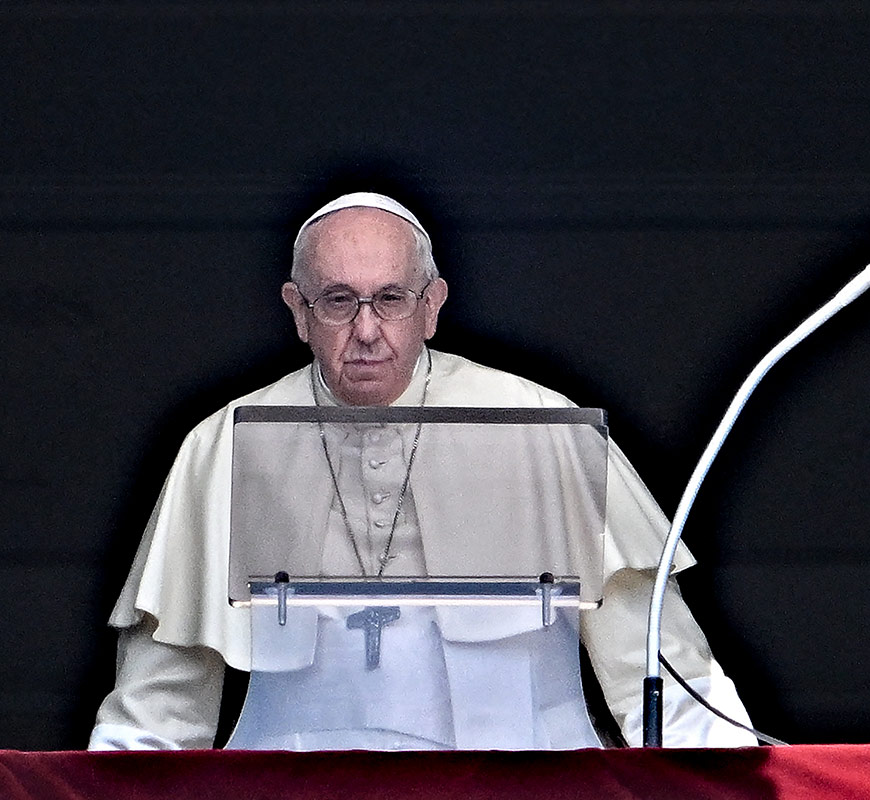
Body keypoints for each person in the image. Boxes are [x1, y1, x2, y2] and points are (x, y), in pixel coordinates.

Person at [88, 192, 755, 751]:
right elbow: (157, 718)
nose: (368, 330)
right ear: (298, 311)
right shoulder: (222, 447)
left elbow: (663, 681)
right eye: (340, 301)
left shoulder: (544, 428)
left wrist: (732, 789)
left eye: (392, 299)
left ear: (432, 305)